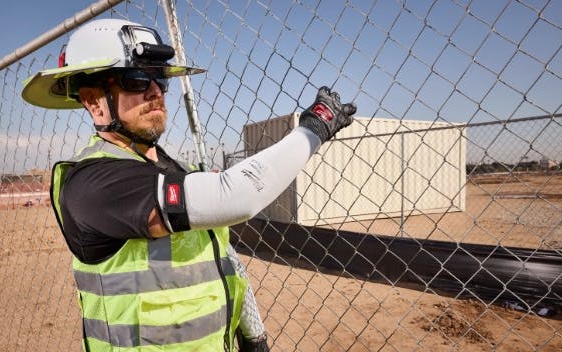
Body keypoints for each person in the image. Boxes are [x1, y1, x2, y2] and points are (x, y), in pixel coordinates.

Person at [22, 18, 355, 352]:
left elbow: (225, 257)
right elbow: (236, 197)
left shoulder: (180, 171)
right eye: (136, 79)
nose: (154, 91)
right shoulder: (93, 183)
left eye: (160, 79)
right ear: (94, 102)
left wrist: (254, 336)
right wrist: (315, 127)